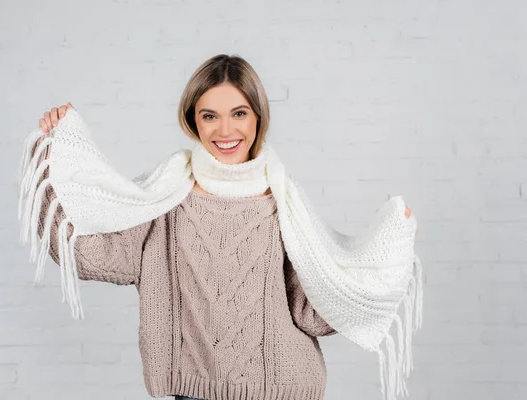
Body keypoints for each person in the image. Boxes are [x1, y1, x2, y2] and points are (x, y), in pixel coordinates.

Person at [30, 54, 417, 400]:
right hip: (193, 392)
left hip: (282, 392)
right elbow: (93, 257)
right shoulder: (165, 195)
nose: (225, 130)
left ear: (258, 117)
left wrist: (386, 255)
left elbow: (309, 313)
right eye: (209, 115)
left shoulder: (284, 201)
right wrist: (52, 159)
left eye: (239, 113)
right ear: (193, 121)